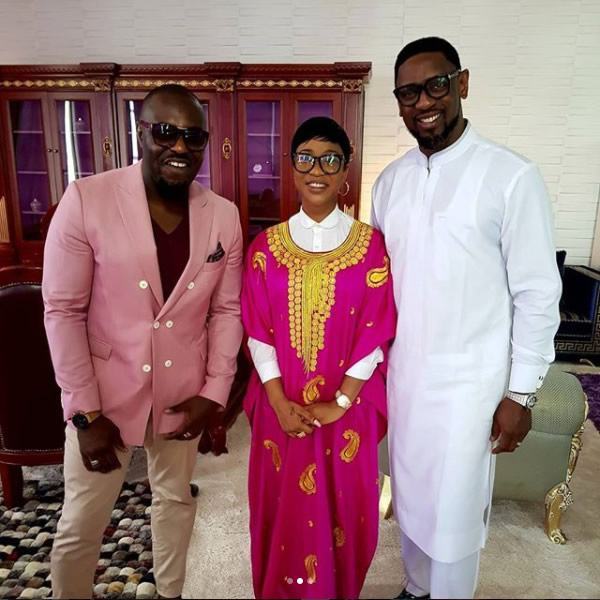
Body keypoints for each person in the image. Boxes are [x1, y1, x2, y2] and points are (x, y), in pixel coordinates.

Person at [371, 37, 562, 600]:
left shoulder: (511, 176)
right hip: (406, 380)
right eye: (408, 93)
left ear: (462, 83)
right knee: (410, 497)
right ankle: (415, 587)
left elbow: (537, 294)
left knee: (455, 515)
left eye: (436, 85)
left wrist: (520, 394)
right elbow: (376, 289)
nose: (423, 102)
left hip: (471, 388)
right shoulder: (389, 183)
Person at [42, 84, 243, 599]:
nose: (180, 147)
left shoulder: (223, 214)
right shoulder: (86, 199)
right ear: (141, 131)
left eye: (193, 137)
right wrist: (84, 413)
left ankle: (171, 592)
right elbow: (63, 312)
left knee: (174, 501)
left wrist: (215, 391)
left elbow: (226, 310)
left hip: (183, 394)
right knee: (82, 521)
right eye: (166, 132)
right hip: (104, 398)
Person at [242, 116, 397, 599]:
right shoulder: (265, 249)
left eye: (330, 159)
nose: (317, 170)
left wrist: (341, 402)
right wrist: (278, 401)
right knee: (279, 506)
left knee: (346, 510)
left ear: (345, 170)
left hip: (347, 414)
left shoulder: (371, 247)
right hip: (280, 409)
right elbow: (257, 332)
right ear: (291, 167)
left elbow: (376, 331)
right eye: (306, 158)